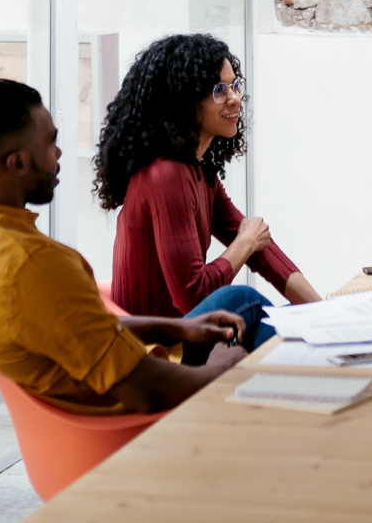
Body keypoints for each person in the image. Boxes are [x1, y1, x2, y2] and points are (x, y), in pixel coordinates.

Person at [0, 78, 248, 415]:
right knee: (248, 309)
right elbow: (150, 391)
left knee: (240, 304)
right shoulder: (33, 265)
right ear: (18, 163)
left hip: (108, 408)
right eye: (50, 143)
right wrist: (221, 370)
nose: (59, 153)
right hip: (136, 430)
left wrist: (176, 328)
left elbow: (71, 329)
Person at [94, 34, 320, 362]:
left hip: (183, 333)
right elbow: (194, 295)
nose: (235, 99)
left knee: (294, 326)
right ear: (182, 100)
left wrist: (321, 309)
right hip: (156, 350)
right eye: (219, 90)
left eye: (234, 85)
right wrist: (243, 244)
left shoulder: (199, 172)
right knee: (248, 300)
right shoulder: (166, 175)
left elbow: (262, 250)